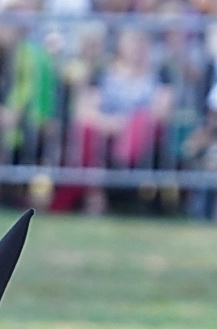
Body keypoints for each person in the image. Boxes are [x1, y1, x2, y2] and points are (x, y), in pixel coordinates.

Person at [70, 25, 172, 213]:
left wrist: (127, 124)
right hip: (106, 129)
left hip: (141, 135)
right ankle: (95, 194)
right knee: (86, 129)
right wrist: (108, 123)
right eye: (132, 41)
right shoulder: (103, 73)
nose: (137, 47)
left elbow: (161, 110)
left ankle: (121, 170)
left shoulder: (159, 74)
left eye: (142, 42)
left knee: (140, 122)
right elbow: (84, 109)